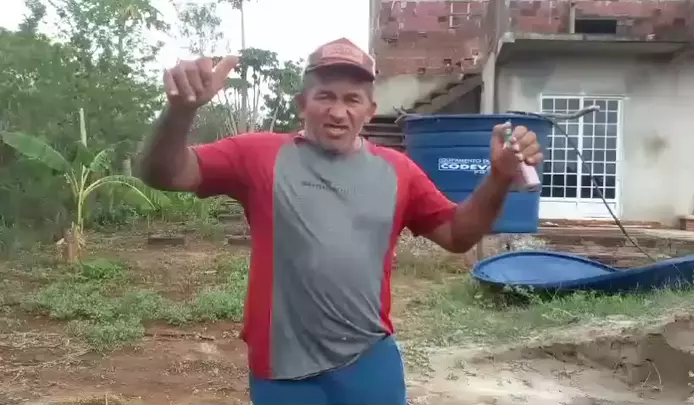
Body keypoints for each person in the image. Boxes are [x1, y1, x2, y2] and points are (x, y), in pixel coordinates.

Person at [138, 37, 543, 405]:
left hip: (369, 360)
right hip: (283, 369)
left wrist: (498, 178)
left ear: (370, 110)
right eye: (325, 96)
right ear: (302, 104)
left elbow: (457, 235)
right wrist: (181, 111)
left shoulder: (398, 171)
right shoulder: (258, 155)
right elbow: (164, 173)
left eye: (352, 99)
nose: (337, 111)